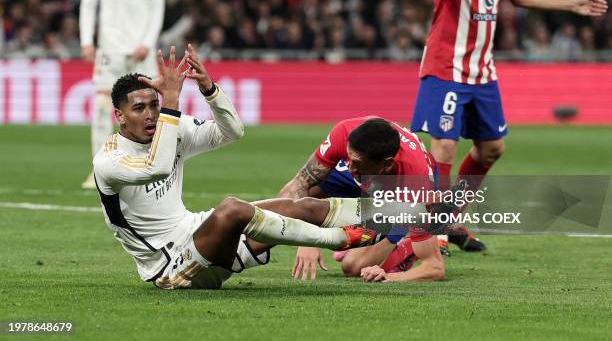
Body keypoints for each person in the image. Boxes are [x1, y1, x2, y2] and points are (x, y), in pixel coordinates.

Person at [93, 45, 418, 290]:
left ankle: (410, 216)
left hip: (199, 236)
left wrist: (208, 89)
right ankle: (337, 239)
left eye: (154, 104)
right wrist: (172, 105)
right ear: (119, 116)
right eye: (139, 108)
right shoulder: (110, 161)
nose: (150, 114)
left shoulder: (170, 127)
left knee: (299, 206)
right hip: (171, 268)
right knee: (233, 208)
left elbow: (232, 131)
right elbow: (158, 168)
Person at [411, 0, 608, 253]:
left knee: (491, 149)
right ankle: (435, 233)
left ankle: (452, 217)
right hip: (446, 65)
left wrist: (571, 3)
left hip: (482, 70)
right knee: (445, 145)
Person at [279, 117, 445, 282]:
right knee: (285, 200)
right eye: (348, 157)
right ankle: (252, 253)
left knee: (353, 266)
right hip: (366, 172)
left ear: (386, 165)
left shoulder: (416, 184)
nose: (348, 165)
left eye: (355, 161)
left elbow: (434, 267)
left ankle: (406, 246)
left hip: (394, 193)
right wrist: (308, 240)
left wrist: (391, 277)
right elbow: (298, 184)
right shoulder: (344, 133)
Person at [80, 0, 166, 189]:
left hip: (141, 49)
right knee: (103, 104)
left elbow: (157, 6)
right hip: (110, 49)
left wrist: (148, 43)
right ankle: (98, 169)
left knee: (150, 106)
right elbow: (88, 2)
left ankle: (151, 166)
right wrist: (87, 40)